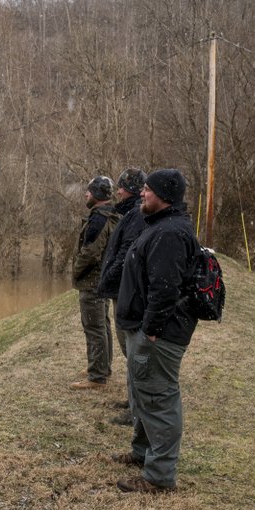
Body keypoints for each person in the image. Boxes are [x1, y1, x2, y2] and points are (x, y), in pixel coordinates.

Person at [113, 168, 198, 492]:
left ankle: (159, 477)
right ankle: (142, 453)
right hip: (145, 328)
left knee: (159, 398)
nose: (142, 194)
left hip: (159, 334)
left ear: (163, 196)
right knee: (143, 393)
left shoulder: (170, 234)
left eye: (147, 190)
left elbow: (165, 289)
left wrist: (149, 332)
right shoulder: (160, 226)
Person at [96, 168, 146, 423]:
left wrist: (107, 279)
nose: (117, 191)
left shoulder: (136, 215)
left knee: (132, 351)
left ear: (133, 190)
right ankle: (132, 400)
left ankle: (137, 409)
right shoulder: (130, 213)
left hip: (126, 291)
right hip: (121, 290)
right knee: (130, 350)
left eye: (122, 188)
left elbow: (127, 253)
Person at [70, 175, 119, 390]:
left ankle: (97, 375)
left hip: (93, 281)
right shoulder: (111, 215)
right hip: (103, 279)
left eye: (89, 191)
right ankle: (102, 366)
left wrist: (75, 271)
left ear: (97, 194)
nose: (86, 194)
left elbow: (90, 252)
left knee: (94, 326)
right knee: (102, 324)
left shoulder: (99, 219)